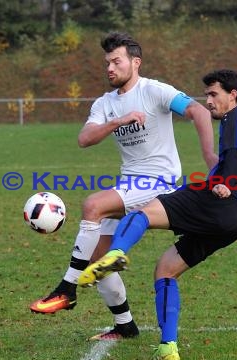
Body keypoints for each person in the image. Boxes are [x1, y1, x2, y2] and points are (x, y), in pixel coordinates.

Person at [29, 31, 217, 341]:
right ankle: (125, 326)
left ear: (135, 62)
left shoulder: (155, 91)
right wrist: (119, 121)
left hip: (160, 181)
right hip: (130, 183)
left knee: (93, 205)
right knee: (98, 261)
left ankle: (66, 288)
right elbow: (84, 139)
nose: (110, 68)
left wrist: (209, 155)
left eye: (117, 61)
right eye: (108, 63)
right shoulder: (105, 104)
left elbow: (198, 111)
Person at [77, 69, 237, 360]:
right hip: (235, 220)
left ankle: (116, 252)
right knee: (166, 269)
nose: (208, 101)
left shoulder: (236, 117)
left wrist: (224, 183)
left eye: (213, 94)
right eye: (206, 95)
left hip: (217, 201)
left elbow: (233, 157)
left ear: (233, 95)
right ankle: (169, 348)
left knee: (143, 212)